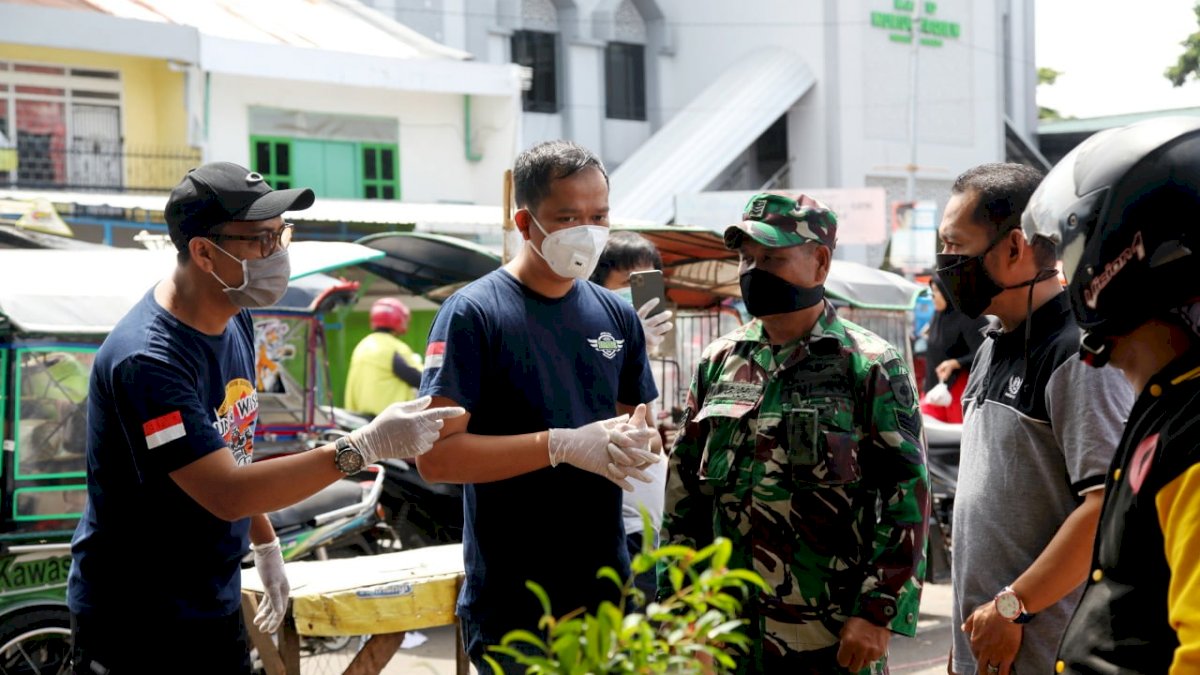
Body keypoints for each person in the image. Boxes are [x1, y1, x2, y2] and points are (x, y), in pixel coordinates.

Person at [66, 162, 463, 674]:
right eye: (260, 240)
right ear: (204, 252)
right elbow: (226, 489)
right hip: (138, 618)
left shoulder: (235, 316)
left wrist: (265, 541)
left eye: (282, 235)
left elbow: (229, 447)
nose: (278, 254)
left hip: (212, 596)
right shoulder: (149, 361)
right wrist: (360, 448)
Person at [414, 140, 662, 673]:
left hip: (606, 592)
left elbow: (643, 429)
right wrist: (560, 445)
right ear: (525, 223)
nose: (589, 231)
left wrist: (643, 443)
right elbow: (436, 459)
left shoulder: (616, 318)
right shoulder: (474, 314)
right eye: (568, 216)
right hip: (514, 603)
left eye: (599, 216)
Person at [661, 192, 930, 674]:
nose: (752, 271)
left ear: (820, 262)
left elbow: (906, 496)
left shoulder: (870, 366)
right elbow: (684, 497)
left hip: (829, 636)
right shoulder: (718, 363)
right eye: (746, 257)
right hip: (726, 638)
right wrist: (680, 609)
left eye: (772, 257)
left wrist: (878, 611)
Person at [934, 163, 1133, 675]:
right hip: (992, 646)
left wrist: (1011, 605)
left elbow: (1105, 507)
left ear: (1015, 247)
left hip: (1049, 651)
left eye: (955, 247)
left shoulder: (1077, 354)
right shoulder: (991, 344)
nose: (945, 263)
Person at [1020, 117, 1200, 673]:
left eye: (1069, 253)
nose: (1065, 273)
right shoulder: (1166, 403)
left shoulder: (1192, 430)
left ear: (1117, 254)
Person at [589, 230, 674, 600]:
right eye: (627, 283)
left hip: (650, 524)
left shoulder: (637, 352)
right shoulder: (585, 341)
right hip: (617, 525)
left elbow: (648, 432)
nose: (637, 295)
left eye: (646, 281)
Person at [919, 276, 989, 423]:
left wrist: (956, 362)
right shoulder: (938, 317)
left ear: (948, 292)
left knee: (956, 438)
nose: (932, 296)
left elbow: (985, 351)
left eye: (936, 291)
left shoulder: (969, 317)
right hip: (934, 389)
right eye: (931, 291)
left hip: (960, 389)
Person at [344, 297, 424, 416]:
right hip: (387, 421)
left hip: (359, 417)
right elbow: (420, 378)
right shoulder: (393, 347)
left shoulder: (362, 346)